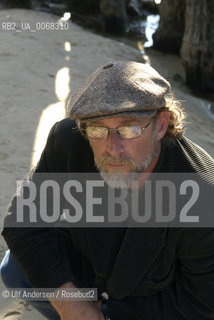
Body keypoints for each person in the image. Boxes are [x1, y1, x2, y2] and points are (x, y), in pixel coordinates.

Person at [1, 61, 214, 320]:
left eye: (129, 128)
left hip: (154, 304)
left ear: (160, 125)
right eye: (98, 129)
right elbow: (20, 223)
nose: (113, 148)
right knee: (14, 269)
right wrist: (72, 306)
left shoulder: (202, 193)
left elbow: (202, 303)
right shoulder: (68, 142)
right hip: (92, 279)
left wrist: (109, 315)